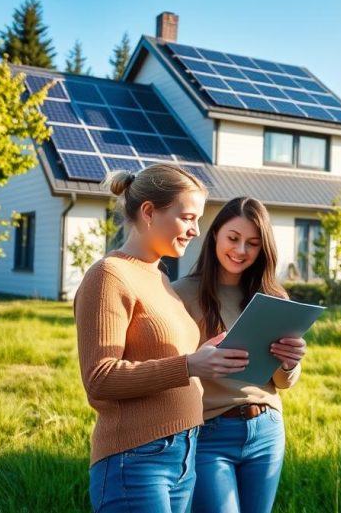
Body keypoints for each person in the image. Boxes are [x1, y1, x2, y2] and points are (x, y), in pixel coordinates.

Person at [75, 164, 250, 513]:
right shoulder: (109, 275)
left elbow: (171, 359)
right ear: (149, 212)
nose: (195, 231)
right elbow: (99, 378)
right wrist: (189, 365)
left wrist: (206, 354)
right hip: (136, 459)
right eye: (187, 217)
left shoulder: (160, 279)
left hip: (182, 455)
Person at [172, 197, 307, 513]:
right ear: (216, 233)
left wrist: (290, 361)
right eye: (233, 238)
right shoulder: (180, 293)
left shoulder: (273, 298)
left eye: (253, 243)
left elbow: (283, 382)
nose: (241, 250)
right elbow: (174, 367)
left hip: (268, 429)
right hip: (210, 431)